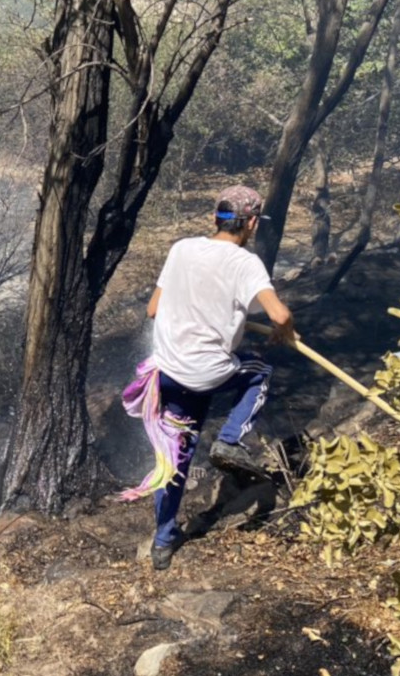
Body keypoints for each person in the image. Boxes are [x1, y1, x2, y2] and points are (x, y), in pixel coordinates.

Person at [120, 185, 296, 571]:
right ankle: (230, 439)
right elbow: (279, 315)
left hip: (168, 373)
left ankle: (163, 541)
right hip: (207, 373)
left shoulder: (181, 249)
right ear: (250, 223)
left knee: (174, 458)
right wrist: (284, 328)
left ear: (215, 219)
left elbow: (153, 309)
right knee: (258, 372)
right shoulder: (245, 263)